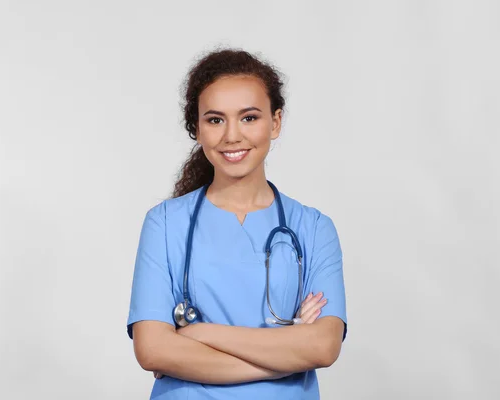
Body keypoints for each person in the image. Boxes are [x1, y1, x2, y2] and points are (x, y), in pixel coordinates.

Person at [126, 48, 348, 399]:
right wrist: (286, 354)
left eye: (249, 118)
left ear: (275, 122)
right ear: (197, 129)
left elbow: (322, 347)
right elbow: (153, 350)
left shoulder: (314, 228)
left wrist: (198, 334)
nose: (232, 135)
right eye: (215, 120)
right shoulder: (165, 224)